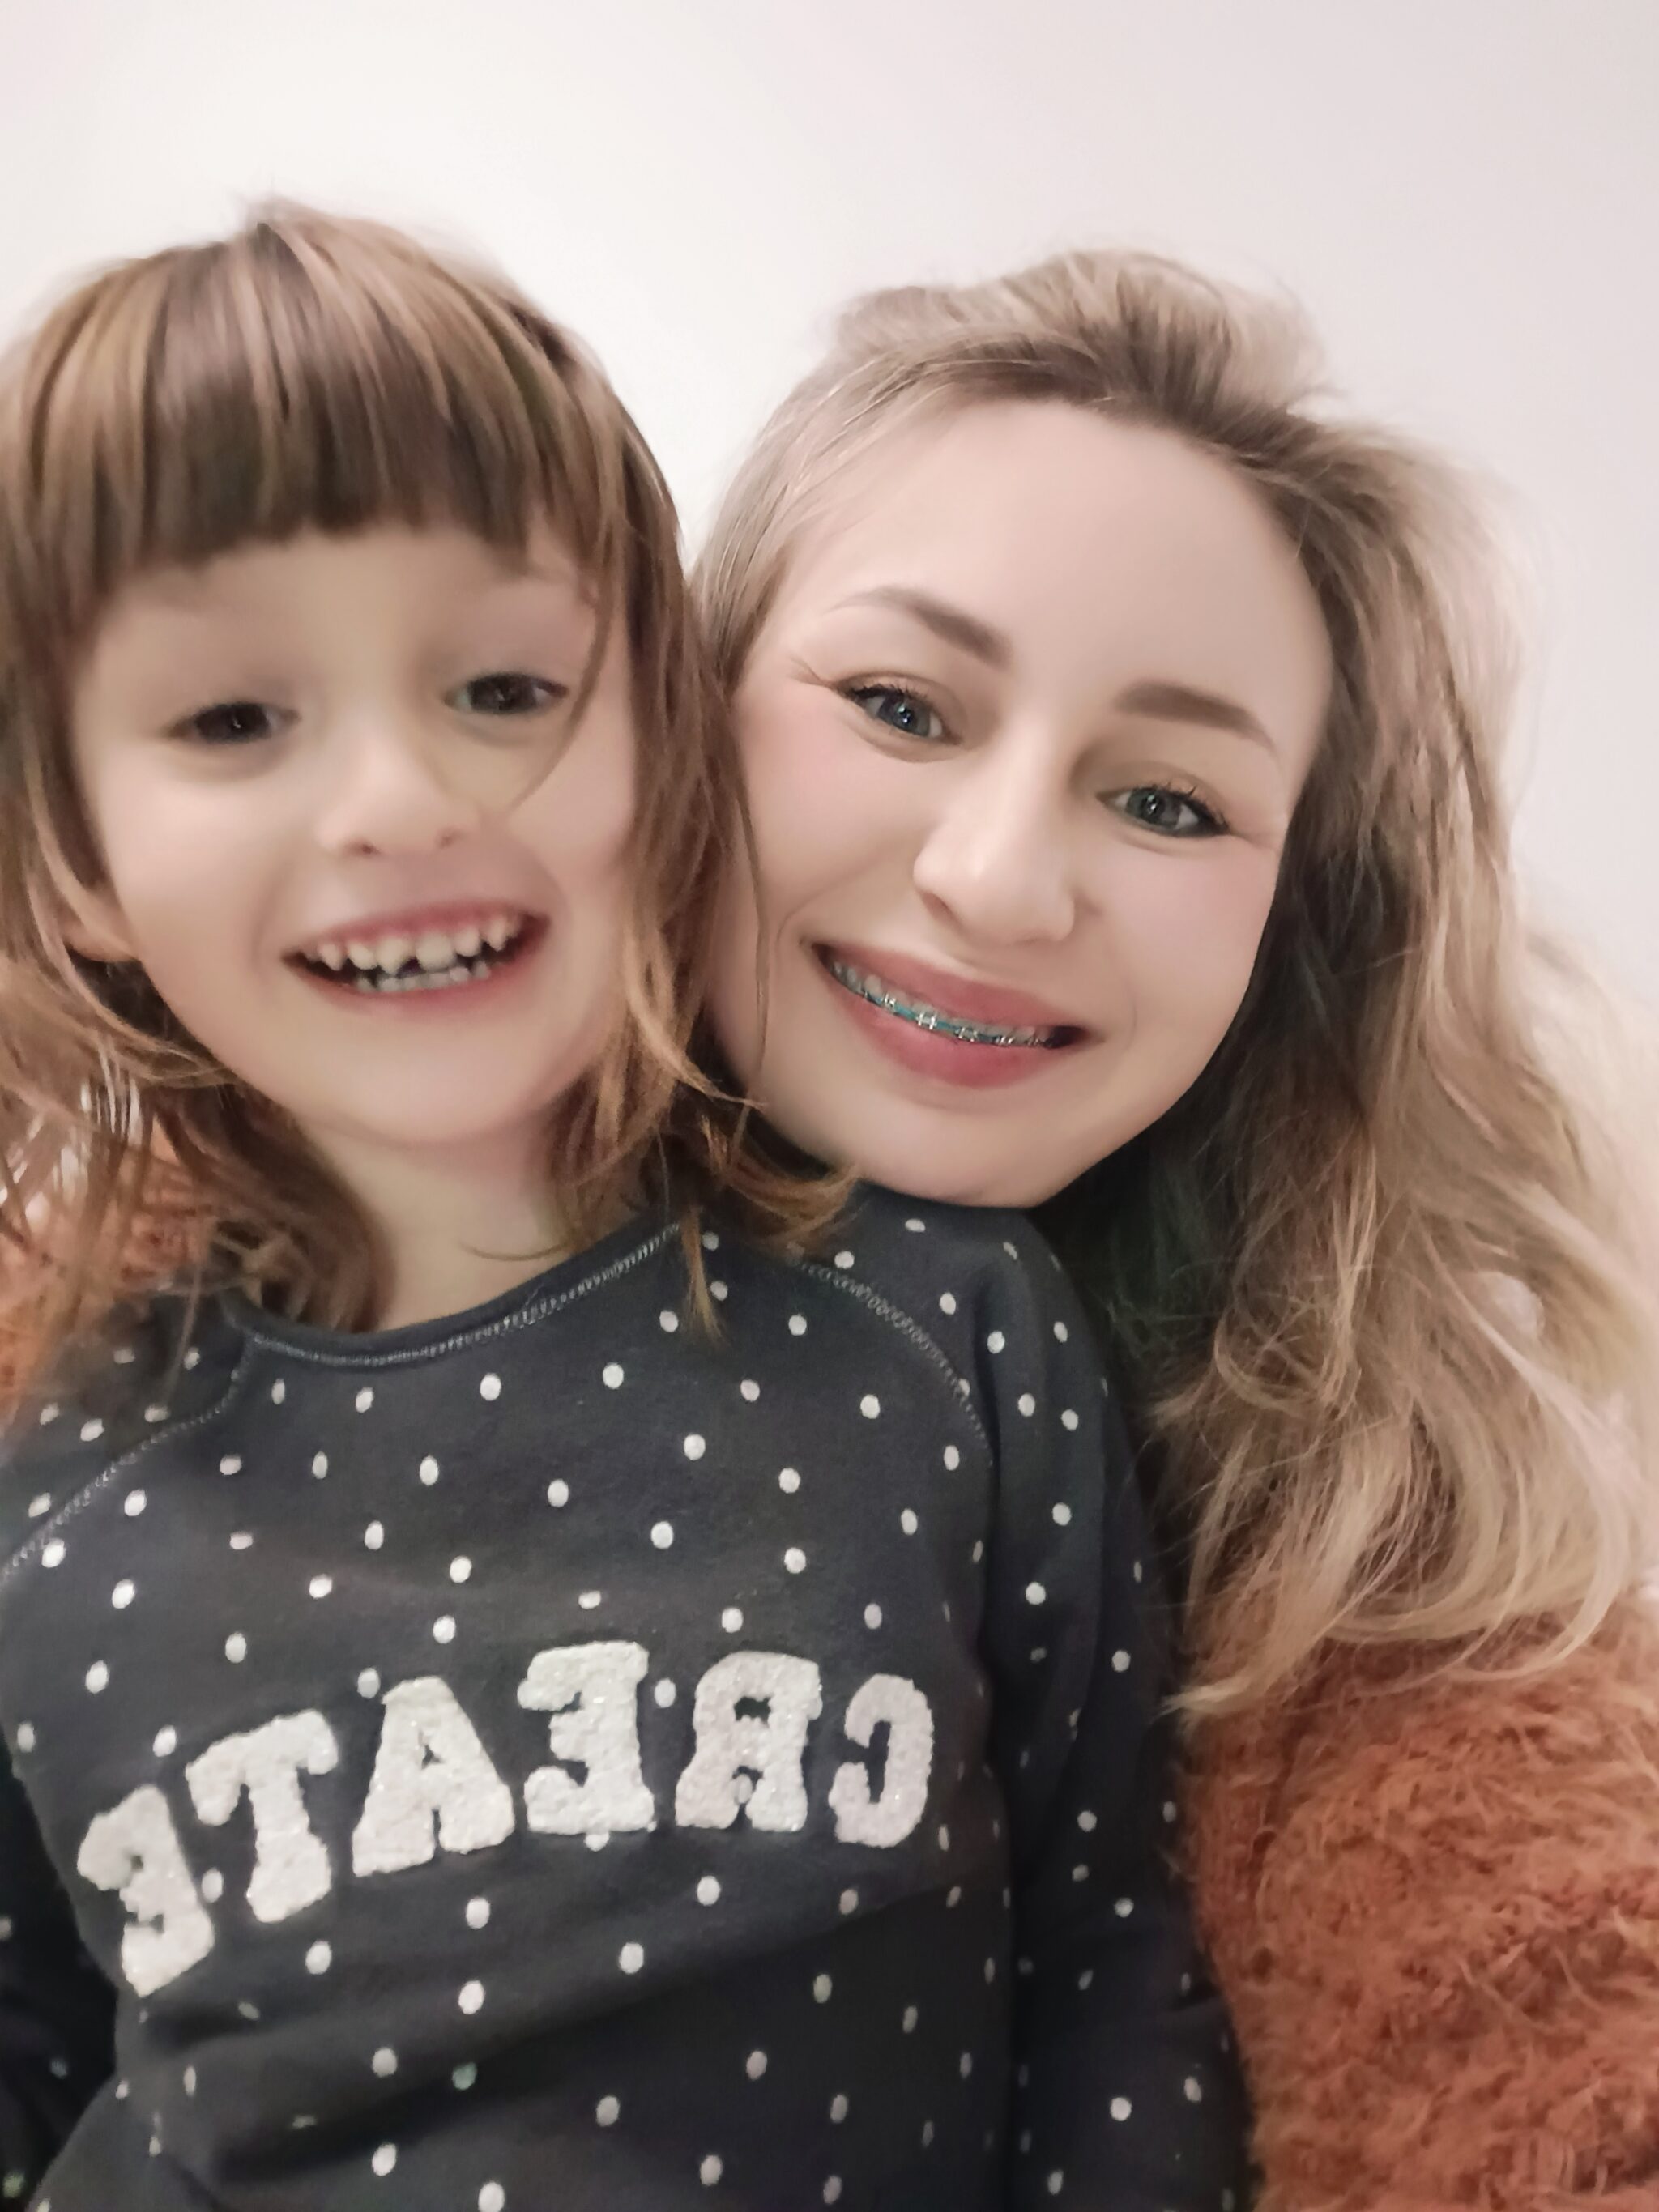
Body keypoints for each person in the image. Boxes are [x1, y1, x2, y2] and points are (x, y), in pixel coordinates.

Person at [0, 210, 1245, 2210]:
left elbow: (1114, 1975)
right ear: (75, 859)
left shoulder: (938, 1325)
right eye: (234, 720)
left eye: (505, 685)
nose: (399, 802)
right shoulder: (60, 1490)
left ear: (667, 733)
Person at [693, 249, 1659, 2205]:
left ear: (1298, 926)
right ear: (676, 704)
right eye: (899, 704)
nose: (997, 880)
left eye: (1165, 803)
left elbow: (1562, 2042)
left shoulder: (1390, 1554)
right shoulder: (214, 1304)